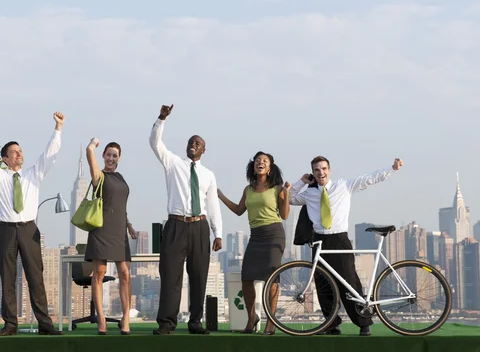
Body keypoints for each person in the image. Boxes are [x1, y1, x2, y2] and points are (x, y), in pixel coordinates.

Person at [0, 109, 64, 336]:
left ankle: (45, 324)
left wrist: (58, 129)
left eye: (20, 151)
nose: (19, 154)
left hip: (29, 229)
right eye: (14, 152)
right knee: (8, 279)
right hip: (6, 231)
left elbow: (49, 154)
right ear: (5, 158)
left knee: (36, 277)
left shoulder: (33, 174)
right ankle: (10, 325)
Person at [288, 155, 404, 337]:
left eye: (324, 168)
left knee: (349, 283)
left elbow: (369, 179)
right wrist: (302, 181)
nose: (321, 173)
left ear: (330, 170)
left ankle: (364, 322)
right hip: (319, 240)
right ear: (313, 173)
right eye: (317, 170)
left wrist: (391, 169)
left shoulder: (343, 186)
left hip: (339, 239)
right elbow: (290, 198)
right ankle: (331, 325)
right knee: (323, 284)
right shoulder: (309, 193)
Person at [149, 104, 223, 335]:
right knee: (171, 274)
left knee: (199, 275)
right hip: (175, 225)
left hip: (199, 227)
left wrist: (218, 233)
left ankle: (195, 322)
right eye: (191, 142)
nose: (193, 145)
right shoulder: (173, 163)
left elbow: (213, 205)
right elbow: (155, 143)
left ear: (204, 150)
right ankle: (167, 323)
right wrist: (161, 119)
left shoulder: (208, 174)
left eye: (198, 143)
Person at [217, 151, 291, 335]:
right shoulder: (248, 189)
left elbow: (285, 215)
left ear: (270, 167)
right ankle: (252, 318)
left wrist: (287, 194)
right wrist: (220, 195)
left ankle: (271, 323)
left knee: (271, 279)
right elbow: (238, 210)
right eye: (258, 160)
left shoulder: (277, 188)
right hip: (256, 236)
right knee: (246, 278)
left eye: (265, 161)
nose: (261, 163)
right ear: (253, 165)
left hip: (274, 234)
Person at [84, 138, 133, 335]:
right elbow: (90, 157)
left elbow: (121, 205)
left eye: (115, 156)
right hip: (101, 230)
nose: (111, 158)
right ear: (103, 156)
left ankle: (126, 318)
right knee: (99, 273)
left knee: (125, 274)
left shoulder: (121, 177)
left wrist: (129, 225)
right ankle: (102, 320)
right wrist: (91, 146)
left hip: (120, 230)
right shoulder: (99, 176)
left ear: (119, 159)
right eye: (108, 155)